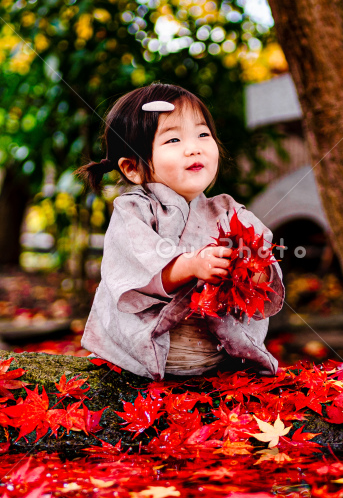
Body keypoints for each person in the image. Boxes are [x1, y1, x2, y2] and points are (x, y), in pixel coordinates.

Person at [76, 82, 284, 380]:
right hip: (141, 355)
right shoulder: (133, 210)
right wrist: (191, 265)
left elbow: (262, 262)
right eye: (173, 140)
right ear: (132, 168)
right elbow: (136, 265)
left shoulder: (227, 210)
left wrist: (253, 271)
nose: (193, 147)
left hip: (213, 358)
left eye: (202, 134)